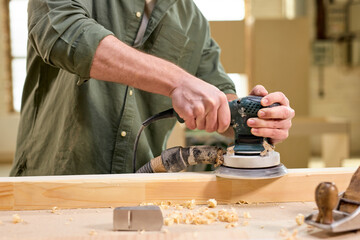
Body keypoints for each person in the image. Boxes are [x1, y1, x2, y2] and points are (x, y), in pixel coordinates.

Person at [10, 0, 294, 176]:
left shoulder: (193, 21)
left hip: (141, 187)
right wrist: (176, 81)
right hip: (54, 178)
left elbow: (221, 99)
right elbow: (62, 32)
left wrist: (257, 120)